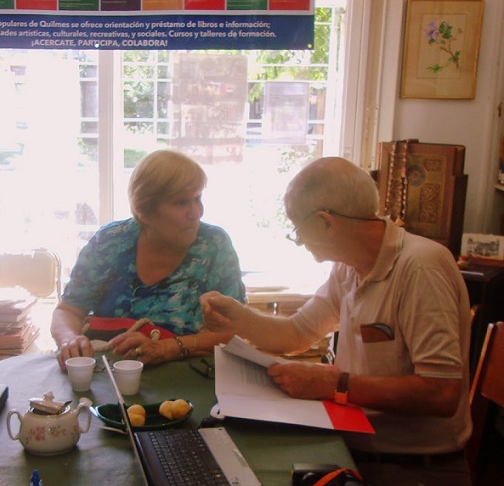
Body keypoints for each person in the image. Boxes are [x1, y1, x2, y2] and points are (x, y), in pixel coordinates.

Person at [201, 157, 471, 486]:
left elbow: (442, 393)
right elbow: (297, 333)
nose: (297, 239)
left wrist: (334, 384)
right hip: (360, 449)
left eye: (297, 229)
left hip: (413, 468)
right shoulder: (348, 267)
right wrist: (237, 315)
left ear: (326, 223)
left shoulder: (420, 268)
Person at [52, 149, 246, 369]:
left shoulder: (214, 245)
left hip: (189, 379)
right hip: (110, 376)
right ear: (145, 211)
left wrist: (168, 347)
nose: (196, 212)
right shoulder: (111, 242)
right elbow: (68, 310)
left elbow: (235, 331)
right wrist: (69, 339)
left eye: (197, 198)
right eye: (181, 202)